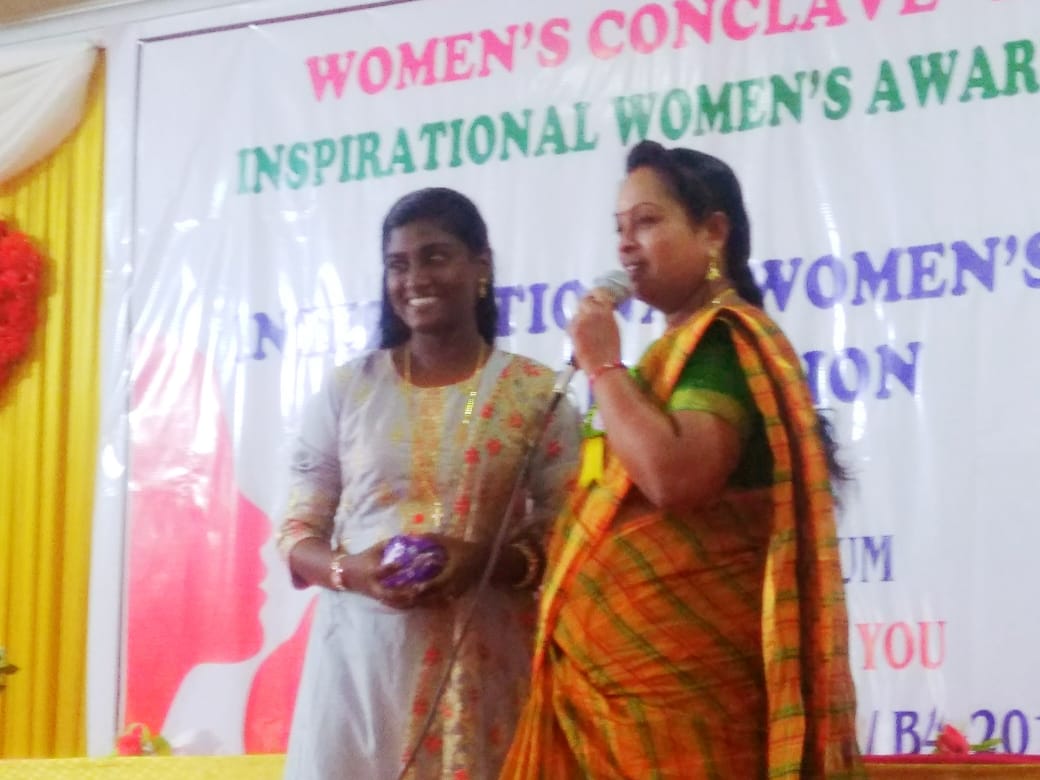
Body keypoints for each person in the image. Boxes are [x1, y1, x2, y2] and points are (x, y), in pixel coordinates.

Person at [500, 141, 864, 779]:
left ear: (713, 232)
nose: (625, 245)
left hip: (681, 709)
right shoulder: (667, 361)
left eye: (646, 222)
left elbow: (675, 477)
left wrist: (602, 364)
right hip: (606, 709)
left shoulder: (725, 343)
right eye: (619, 228)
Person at [278, 187, 580, 779]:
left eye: (435, 256)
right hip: (362, 668)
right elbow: (295, 533)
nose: (415, 278)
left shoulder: (535, 394)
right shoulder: (350, 391)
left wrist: (482, 562)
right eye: (398, 264)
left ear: (481, 266)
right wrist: (353, 571)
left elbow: (567, 538)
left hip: (486, 668)